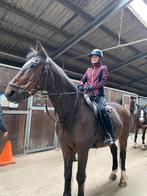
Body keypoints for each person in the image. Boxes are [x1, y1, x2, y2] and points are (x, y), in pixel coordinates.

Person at [78, 49, 115, 145]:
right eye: (92, 57)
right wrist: (81, 85)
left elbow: (103, 81)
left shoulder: (103, 68)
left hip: (98, 96)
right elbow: (83, 79)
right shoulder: (89, 69)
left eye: (95, 57)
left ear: (99, 58)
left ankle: (110, 134)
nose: (93, 59)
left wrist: (92, 87)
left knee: (102, 110)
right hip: (88, 96)